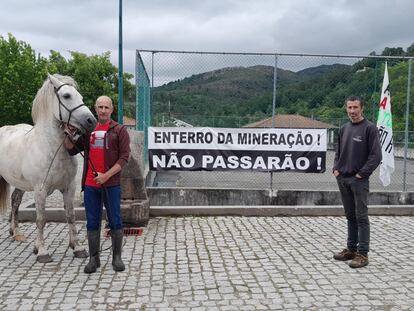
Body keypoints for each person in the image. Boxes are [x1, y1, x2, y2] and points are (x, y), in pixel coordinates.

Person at [65, 95, 130, 273]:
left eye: (106, 107)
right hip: (91, 185)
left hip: (112, 185)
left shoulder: (119, 130)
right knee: (92, 222)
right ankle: (94, 259)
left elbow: (125, 157)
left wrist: (106, 175)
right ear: (95, 108)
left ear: (111, 109)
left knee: (115, 220)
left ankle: (117, 257)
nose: (102, 110)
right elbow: (71, 149)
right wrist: (68, 134)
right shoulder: (88, 130)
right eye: (100, 107)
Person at [332, 95, 382, 268]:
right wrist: (336, 168)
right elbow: (338, 151)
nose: (352, 111)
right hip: (343, 178)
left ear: (362, 108)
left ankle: (363, 254)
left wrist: (362, 174)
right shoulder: (344, 128)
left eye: (355, 108)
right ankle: (351, 249)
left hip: (359, 180)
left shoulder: (370, 129)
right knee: (350, 216)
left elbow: (376, 156)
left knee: (361, 217)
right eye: (349, 108)